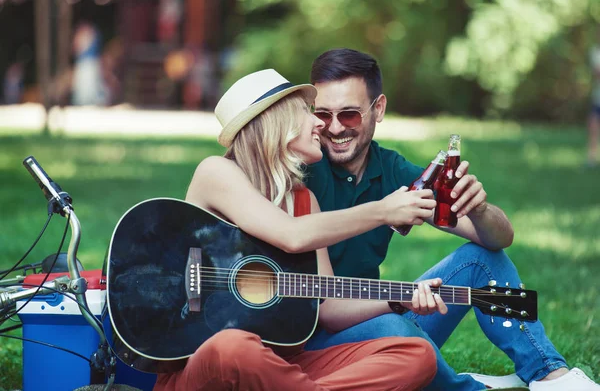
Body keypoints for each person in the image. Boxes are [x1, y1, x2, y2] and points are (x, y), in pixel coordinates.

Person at [302, 48, 600, 391]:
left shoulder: (393, 170)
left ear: (378, 109)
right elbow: (327, 309)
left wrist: (480, 209)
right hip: (316, 342)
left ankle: (550, 375)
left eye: (350, 115)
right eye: (324, 115)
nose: (335, 128)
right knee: (395, 330)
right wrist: (400, 298)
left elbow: (499, 239)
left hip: (376, 315)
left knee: (481, 259)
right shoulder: (303, 169)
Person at [153, 68, 437, 390]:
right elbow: (292, 235)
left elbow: (329, 305)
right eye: (306, 112)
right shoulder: (217, 172)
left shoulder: (304, 201)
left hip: (283, 367)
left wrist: (400, 298)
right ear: (277, 121)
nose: (321, 123)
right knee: (232, 347)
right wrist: (383, 210)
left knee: (416, 354)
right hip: (208, 362)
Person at [588, 33, 600, 168]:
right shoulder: (595, 52)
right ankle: (591, 157)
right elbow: (597, 73)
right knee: (593, 128)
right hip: (598, 98)